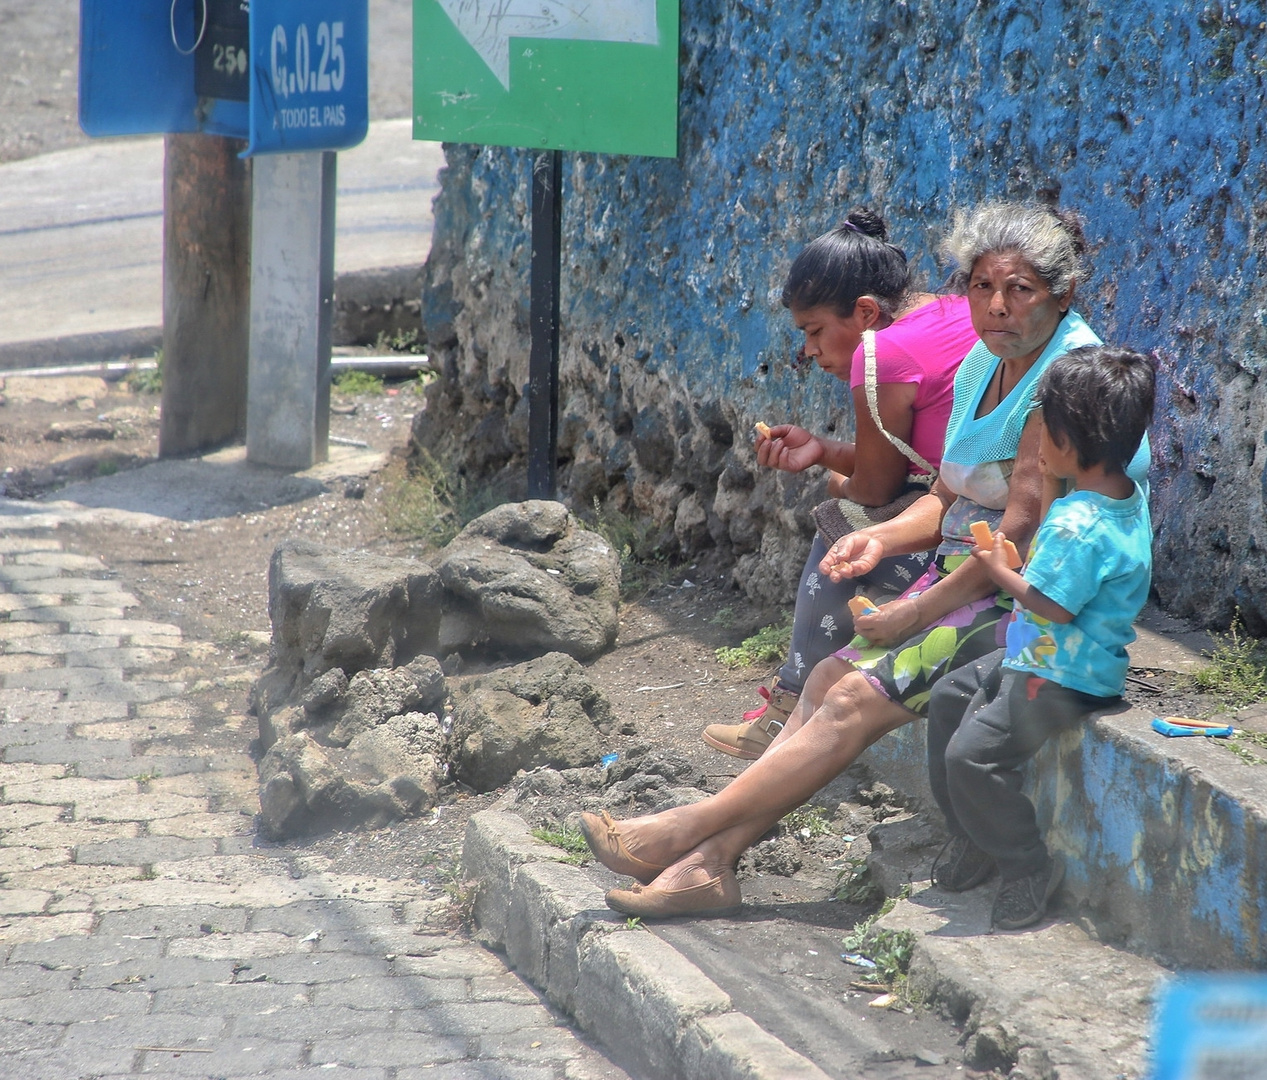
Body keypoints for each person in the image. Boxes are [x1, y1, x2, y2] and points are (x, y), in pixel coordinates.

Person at [580, 201, 1152, 919]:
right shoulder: (987, 360)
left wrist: (913, 609)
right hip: (970, 576)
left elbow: (1018, 540)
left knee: (851, 696)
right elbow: (947, 491)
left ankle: (685, 831)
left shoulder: (1061, 383)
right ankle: (707, 863)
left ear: (1060, 295)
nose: (996, 307)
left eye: (1020, 290)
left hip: (1029, 598)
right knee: (826, 676)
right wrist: (880, 539)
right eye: (981, 287)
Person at [703, 209, 979, 759]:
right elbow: (915, 462)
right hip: (974, 494)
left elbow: (876, 491)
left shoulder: (882, 354)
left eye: (813, 332)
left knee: (841, 524)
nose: (809, 351)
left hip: (966, 527)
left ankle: (787, 707)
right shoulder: (950, 310)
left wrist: (834, 477)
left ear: (865, 312)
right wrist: (825, 451)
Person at [926, 345, 1155, 931]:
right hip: (1039, 657)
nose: (1036, 443)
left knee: (970, 757)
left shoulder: (1080, 525)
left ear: (1069, 442)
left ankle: (1024, 864)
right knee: (950, 698)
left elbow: (1050, 604)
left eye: (1041, 430)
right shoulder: (1120, 501)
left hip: (1059, 677)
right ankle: (973, 831)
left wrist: (998, 569)